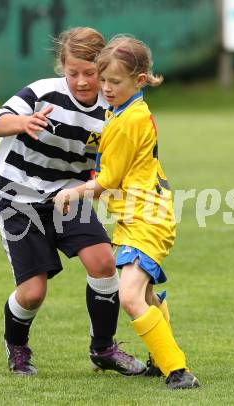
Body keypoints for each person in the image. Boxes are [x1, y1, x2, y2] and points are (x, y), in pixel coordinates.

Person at [0, 27, 146, 376]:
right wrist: (22, 122)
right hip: (18, 196)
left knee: (103, 262)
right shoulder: (42, 93)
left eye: (91, 73)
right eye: (73, 72)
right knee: (32, 292)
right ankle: (17, 347)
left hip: (68, 196)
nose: (83, 81)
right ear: (62, 68)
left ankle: (103, 349)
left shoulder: (111, 110)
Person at [54, 35, 200, 389]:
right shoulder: (125, 110)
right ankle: (162, 359)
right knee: (146, 295)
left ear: (139, 79)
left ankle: (178, 371)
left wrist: (70, 194)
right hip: (142, 215)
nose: (105, 88)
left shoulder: (127, 121)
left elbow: (106, 182)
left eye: (114, 82)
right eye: (103, 80)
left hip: (145, 218)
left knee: (130, 295)